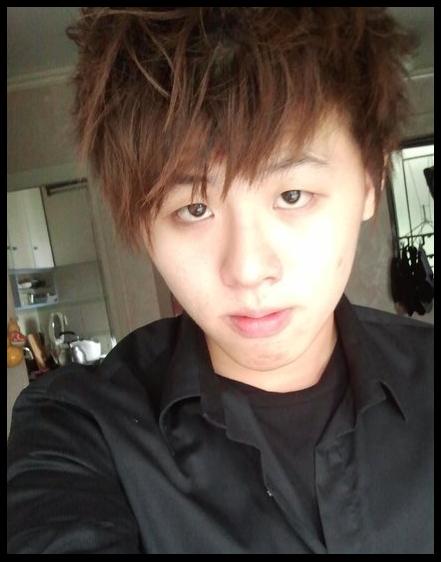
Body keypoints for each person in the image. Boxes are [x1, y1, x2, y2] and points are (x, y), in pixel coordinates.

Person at [7, 8, 433, 554]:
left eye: (292, 195)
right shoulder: (76, 428)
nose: (248, 270)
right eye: (195, 208)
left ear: (371, 181)